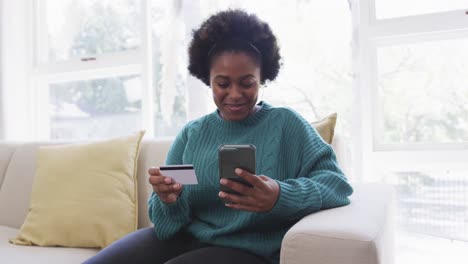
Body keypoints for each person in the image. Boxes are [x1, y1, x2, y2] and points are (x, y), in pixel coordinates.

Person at [84, 9, 353, 264]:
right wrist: (168, 200)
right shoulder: (192, 134)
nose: (234, 94)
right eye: (223, 83)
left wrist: (280, 196)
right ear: (207, 79)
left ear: (262, 78)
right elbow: (166, 228)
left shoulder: (287, 124)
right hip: (186, 239)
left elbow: (337, 186)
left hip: (248, 251)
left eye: (246, 83)